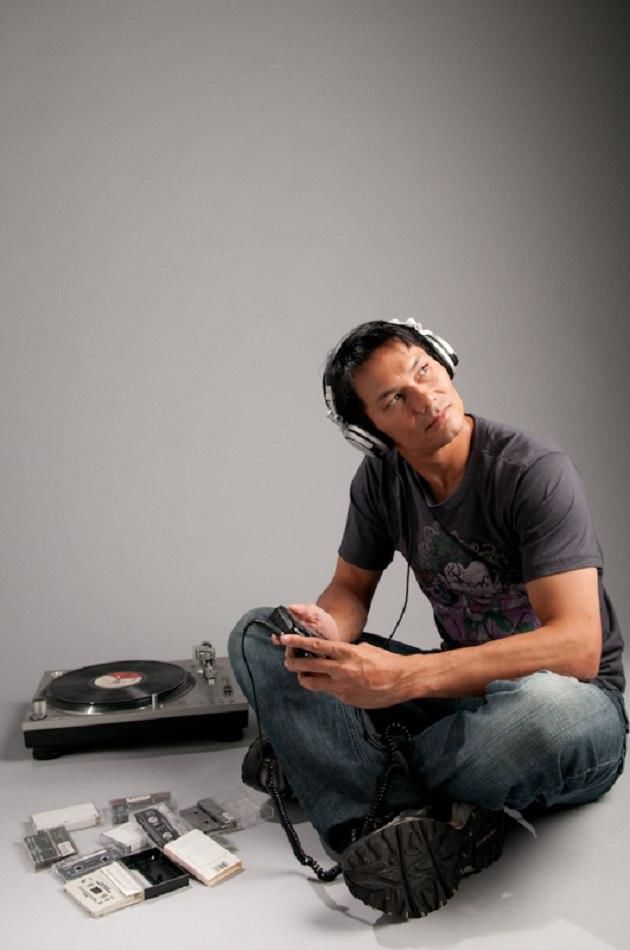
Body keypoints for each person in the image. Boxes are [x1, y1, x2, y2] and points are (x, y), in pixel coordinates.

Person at [228, 318, 627, 919]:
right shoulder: (379, 479)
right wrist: (328, 632)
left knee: (545, 712)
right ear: (370, 431)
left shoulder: (532, 470)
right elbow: (349, 589)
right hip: (456, 698)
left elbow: (576, 649)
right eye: (394, 398)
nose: (425, 398)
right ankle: (413, 813)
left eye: (424, 370)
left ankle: (349, 778)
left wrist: (401, 680)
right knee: (260, 633)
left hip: (572, 708)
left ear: (443, 359)